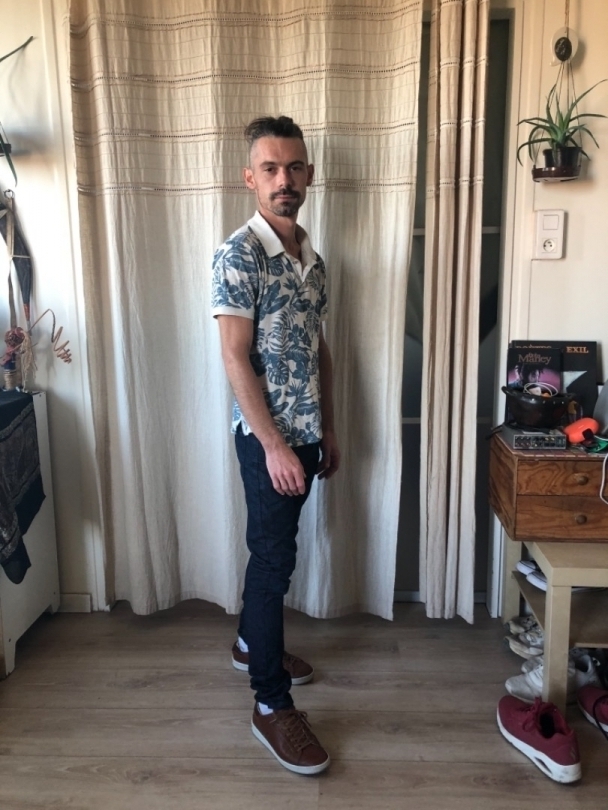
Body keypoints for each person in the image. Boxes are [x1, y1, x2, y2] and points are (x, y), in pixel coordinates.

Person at [211, 116, 340, 775]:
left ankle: (249, 644)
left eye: (293, 167)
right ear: (250, 178)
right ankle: (270, 702)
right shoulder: (240, 254)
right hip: (269, 446)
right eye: (270, 168)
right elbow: (234, 357)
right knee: (271, 562)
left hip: (309, 436)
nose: (283, 179)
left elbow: (318, 349)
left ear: (308, 174)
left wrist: (328, 429)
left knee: (275, 558)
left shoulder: (312, 258)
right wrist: (274, 446)